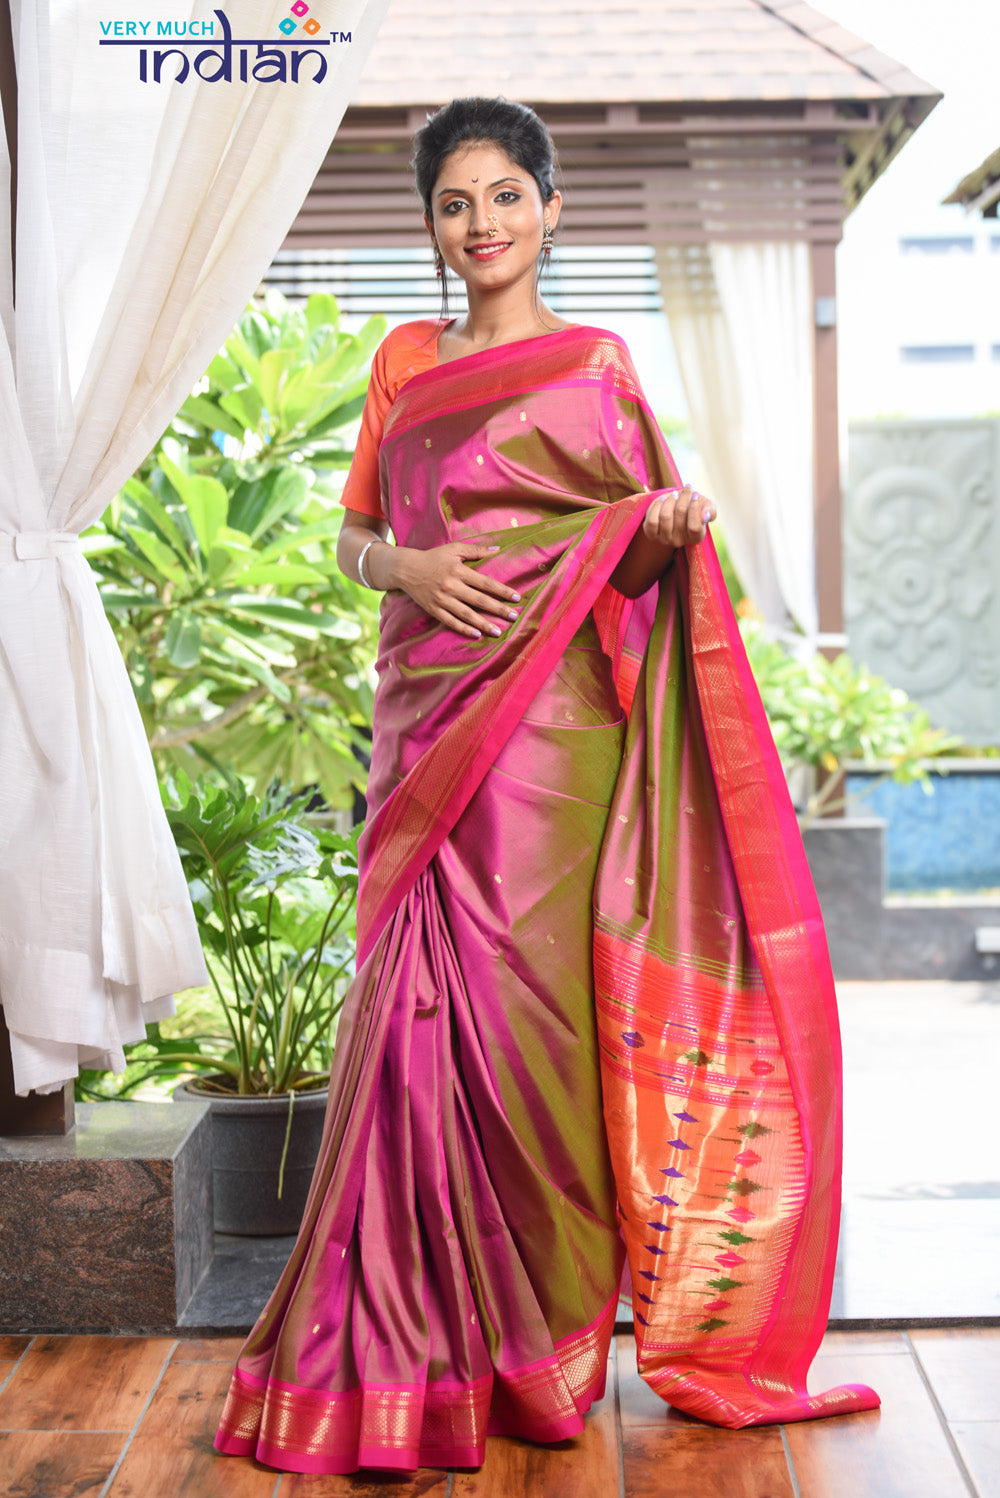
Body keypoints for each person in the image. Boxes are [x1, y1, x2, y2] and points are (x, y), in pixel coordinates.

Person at [214, 97, 879, 1477]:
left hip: (555, 743)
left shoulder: (597, 365)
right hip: (425, 724)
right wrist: (408, 567)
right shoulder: (404, 362)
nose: (483, 225)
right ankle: (413, 1354)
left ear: (551, 209)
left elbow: (624, 561)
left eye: (506, 196)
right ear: (430, 225)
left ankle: (545, 1345)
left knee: (538, 1036)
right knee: (413, 1028)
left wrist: (667, 523)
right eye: (455, 203)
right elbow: (353, 537)